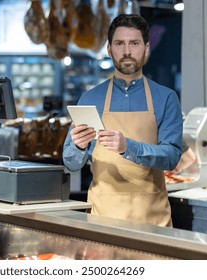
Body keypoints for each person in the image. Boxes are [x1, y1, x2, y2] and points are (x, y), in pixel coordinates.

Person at [62, 14, 183, 227]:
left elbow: (172, 157)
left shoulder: (166, 98)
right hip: (102, 217)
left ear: (146, 48)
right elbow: (70, 163)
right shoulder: (90, 99)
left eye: (134, 43)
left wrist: (127, 147)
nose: (127, 51)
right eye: (119, 43)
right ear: (110, 49)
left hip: (152, 219)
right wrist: (78, 147)